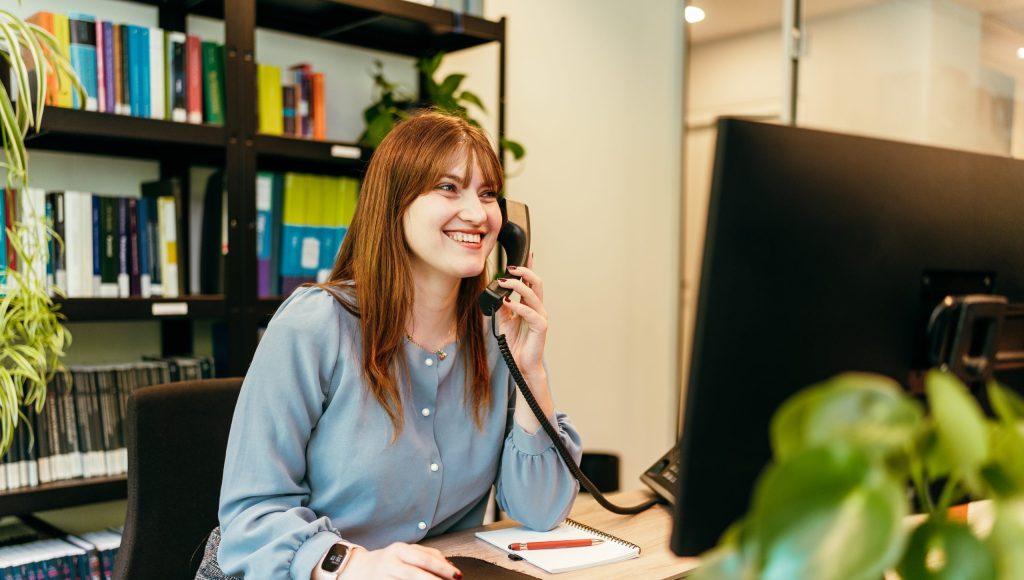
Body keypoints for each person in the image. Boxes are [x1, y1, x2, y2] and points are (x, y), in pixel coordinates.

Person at [200, 110, 582, 580]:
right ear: (394, 204)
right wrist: (351, 565)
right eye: (448, 187)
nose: (478, 213)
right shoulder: (317, 326)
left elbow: (540, 511)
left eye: (487, 193)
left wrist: (529, 373)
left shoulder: (495, 334)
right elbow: (250, 517)